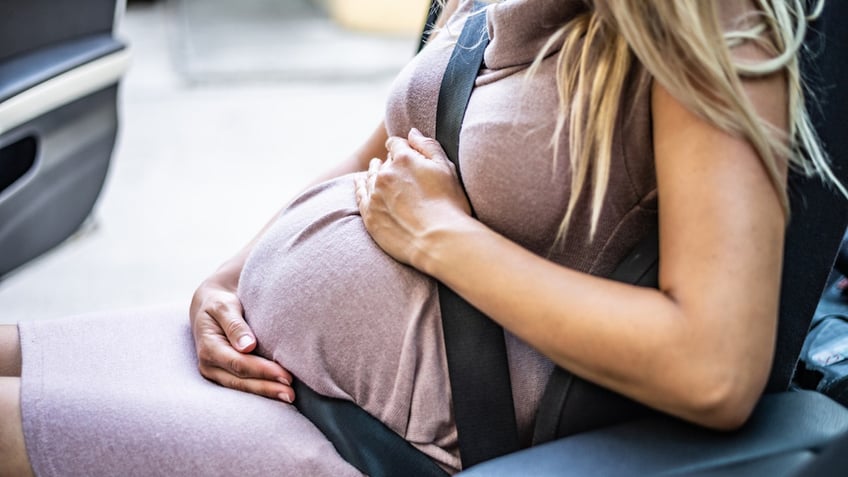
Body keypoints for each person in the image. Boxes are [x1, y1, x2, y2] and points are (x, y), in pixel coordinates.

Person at [0, 0, 840, 475]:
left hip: (382, 445)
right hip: (281, 372)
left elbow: (714, 365)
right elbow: (380, 155)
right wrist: (228, 274)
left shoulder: (706, 21)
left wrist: (447, 239)